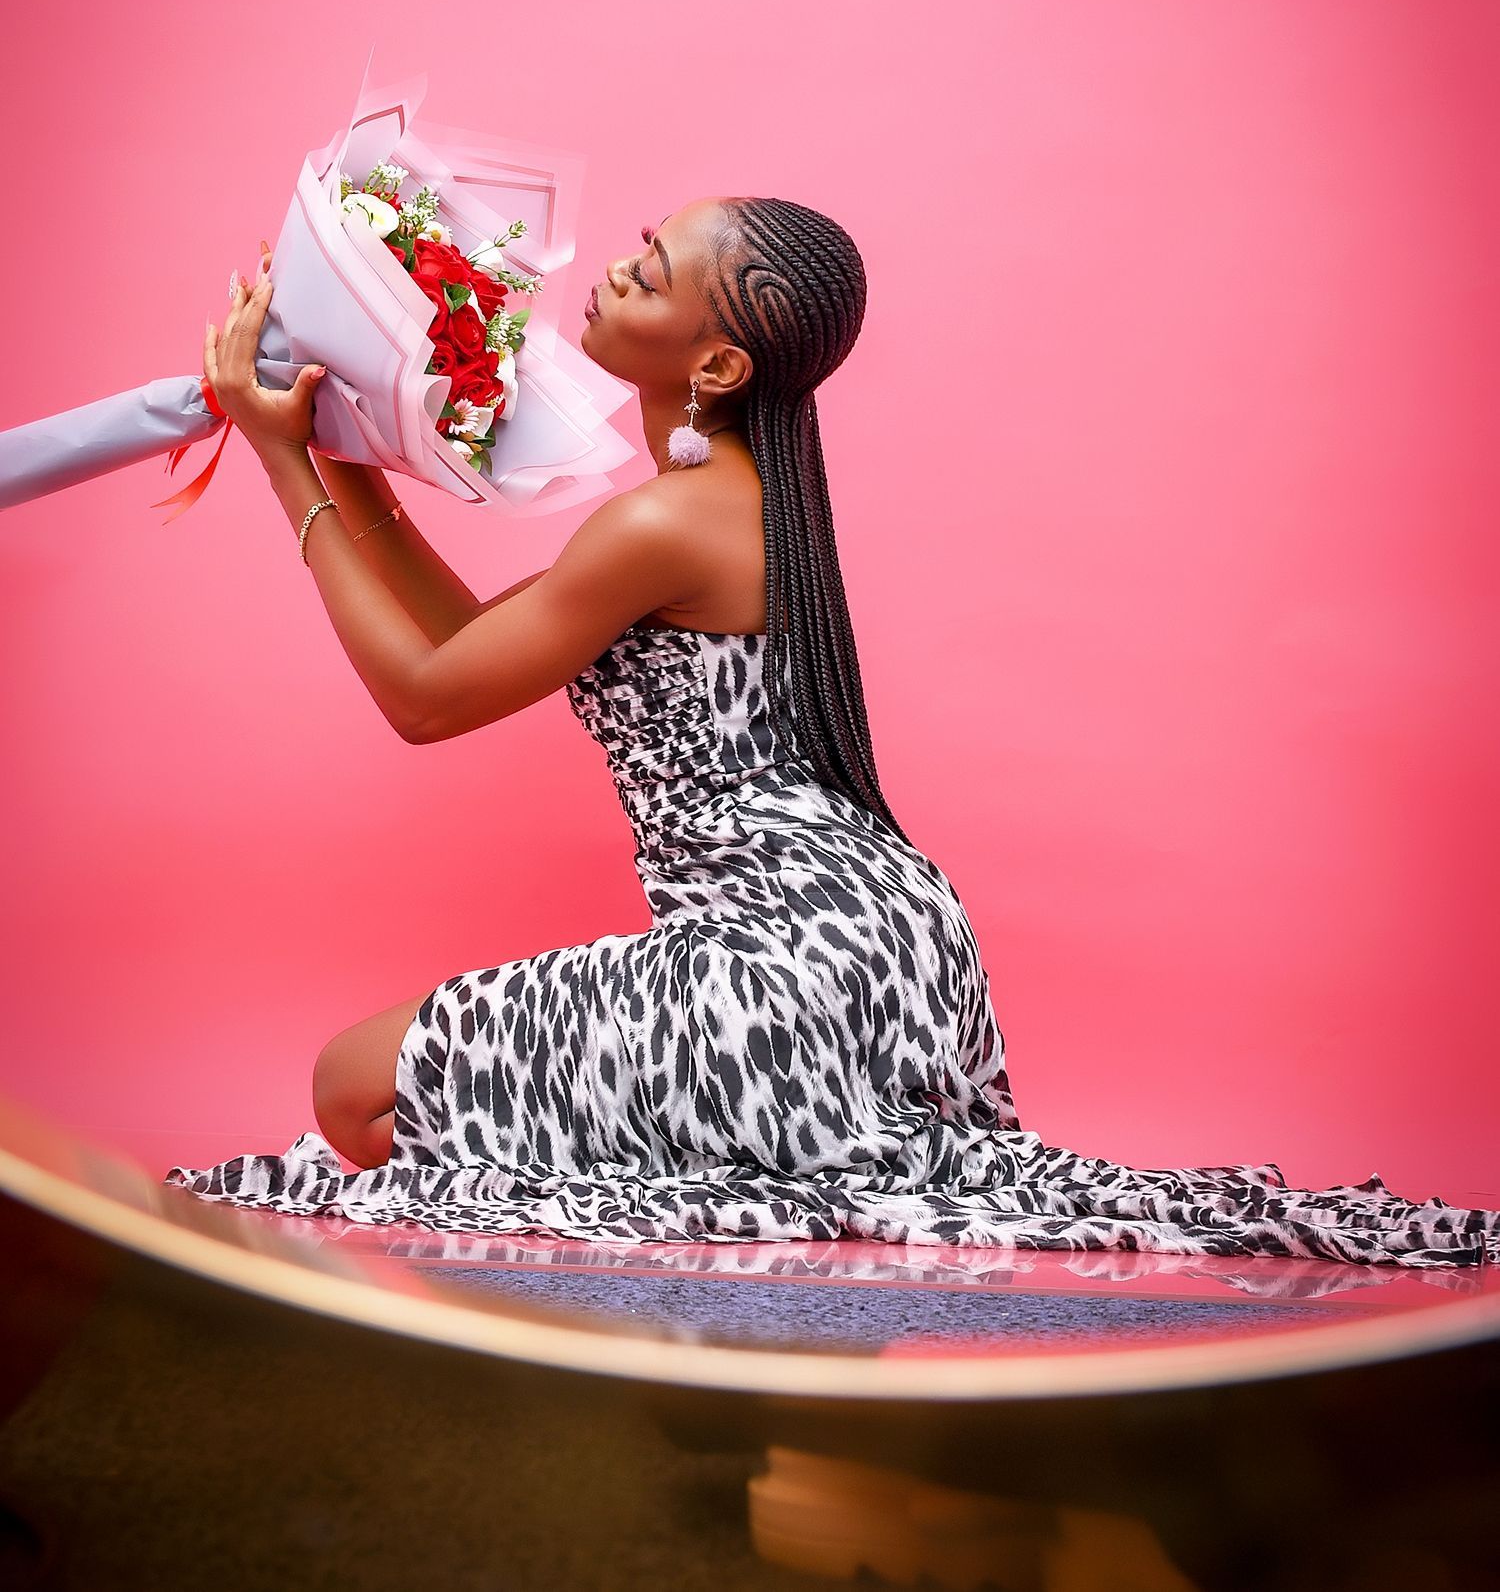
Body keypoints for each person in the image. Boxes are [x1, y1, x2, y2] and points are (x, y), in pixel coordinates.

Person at [165, 198, 1498, 1268]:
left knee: (353, 1092)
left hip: (787, 964)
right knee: (394, 1098)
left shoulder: (664, 523)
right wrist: (342, 455)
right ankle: (698, 1144)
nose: (615, 271)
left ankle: (696, 1156)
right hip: (890, 949)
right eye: (641, 246)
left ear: (718, 365)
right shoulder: (717, 506)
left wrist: (282, 465)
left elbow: (422, 698)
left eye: (650, 273)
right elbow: (466, 648)